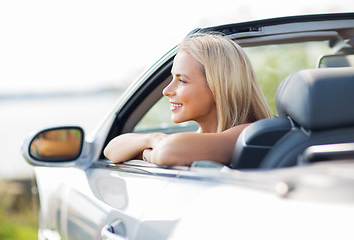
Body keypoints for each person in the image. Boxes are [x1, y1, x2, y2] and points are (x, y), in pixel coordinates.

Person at [104, 33, 273, 166]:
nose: (166, 91)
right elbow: (111, 149)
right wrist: (152, 139)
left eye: (182, 80)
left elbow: (168, 151)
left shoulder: (250, 134)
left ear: (218, 87)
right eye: (172, 79)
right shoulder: (205, 137)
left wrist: (145, 153)